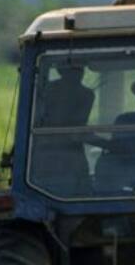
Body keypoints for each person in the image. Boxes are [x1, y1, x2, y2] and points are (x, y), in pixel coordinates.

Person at [32, 63, 95, 194]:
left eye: (79, 69)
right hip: (50, 158)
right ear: (61, 71)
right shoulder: (45, 91)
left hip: (69, 156)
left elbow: (77, 129)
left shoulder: (86, 95)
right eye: (73, 69)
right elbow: (76, 131)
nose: (78, 73)